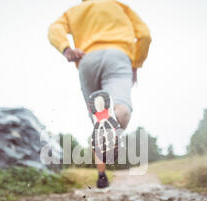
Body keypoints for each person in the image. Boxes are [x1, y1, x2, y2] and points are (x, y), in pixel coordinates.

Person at [48, 0, 151, 188]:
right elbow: (145, 35)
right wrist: (136, 64)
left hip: (87, 60)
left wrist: (66, 49)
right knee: (121, 111)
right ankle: (114, 118)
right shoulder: (120, 7)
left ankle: (101, 175)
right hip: (118, 57)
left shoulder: (75, 11)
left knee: (99, 125)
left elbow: (54, 29)